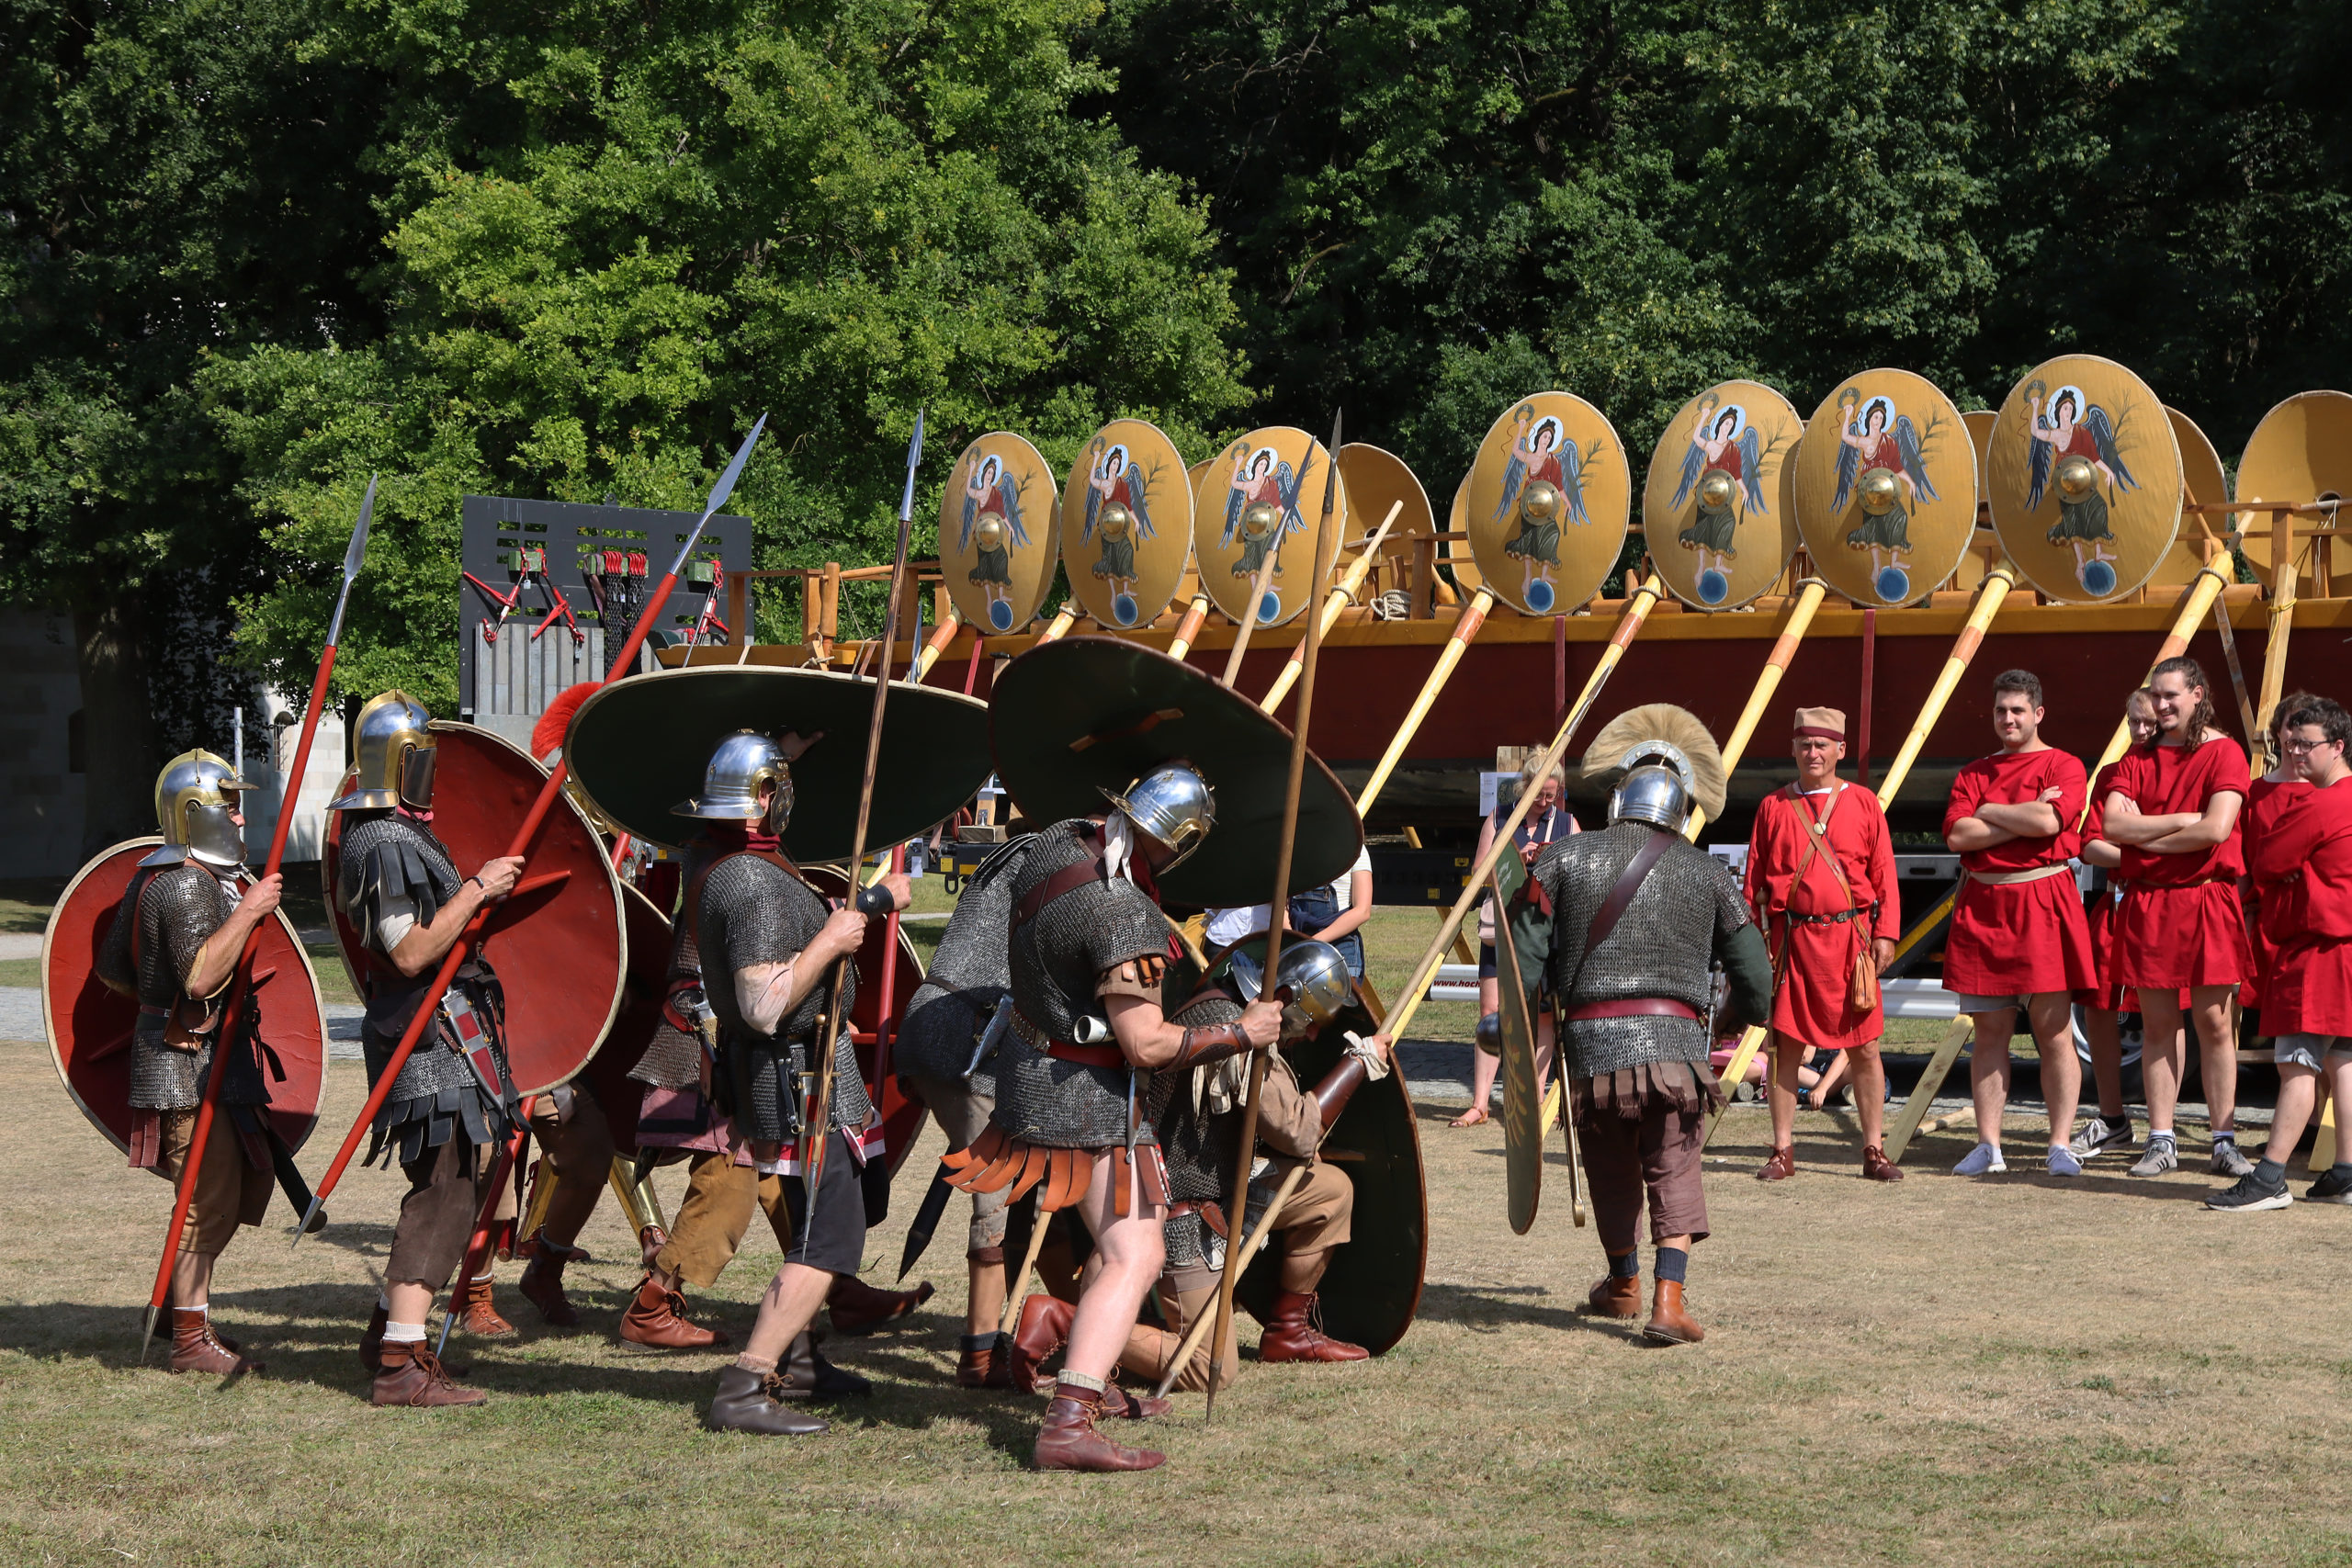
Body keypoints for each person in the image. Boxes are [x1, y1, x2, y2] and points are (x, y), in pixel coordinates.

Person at [942, 762, 1282, 1472]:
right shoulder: (1126, 913)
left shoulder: (1058, 843)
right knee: (1138, 1251)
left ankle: (1089, 1381)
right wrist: (1241, 1033)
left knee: (1114, 1240)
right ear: (1183, 841)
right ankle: (1069, 1421)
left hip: (1029, 1066)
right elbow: (1145, 1044)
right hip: (1086, 1097)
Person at [681, 729, 917, 1438]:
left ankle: (803, 1359)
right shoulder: (750, 880)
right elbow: (764, 1003)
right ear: (763, 797)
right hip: (800, 1082)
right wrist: (836, 937)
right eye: (779, 786)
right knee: (827, 1242)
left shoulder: (723, 859)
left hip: (793, 1075)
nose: (790, 798)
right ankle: (747, 1382)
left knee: (825, 1224)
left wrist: (867, 905)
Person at [1541, 705, 1772, 1342]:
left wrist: (1528, 1017)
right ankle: (1668, 1302)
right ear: (1681, 808)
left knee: (1610, 1165)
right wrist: (1731, 1019)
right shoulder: (1708, 873)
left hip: (1593, 1047)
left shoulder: (1565, 857)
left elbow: (1524, 947)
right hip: (1674, 1050)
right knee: (1673, 1164)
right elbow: (1756, 979)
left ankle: (1623, 1284)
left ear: (1619, 798)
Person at [333, 694, 526, 1407]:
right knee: (442, 1188)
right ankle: (400, 1364)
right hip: (424, 1036)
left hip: (446, 1031)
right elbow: (412, 951)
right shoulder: (382, 840)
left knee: (460, 1182)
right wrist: (476, 888)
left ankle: (389, 1332)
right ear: (399, 761)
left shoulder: (403, 834)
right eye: (423, 759)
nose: (433, 772)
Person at [1087, 939, 1389, 1392]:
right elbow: (1298, 1130)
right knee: (1210, 1368)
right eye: (1310, 1023)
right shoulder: (1238, 1034)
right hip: (1180, 1213)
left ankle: (1287, 1330)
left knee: (1328, 1191)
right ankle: (1073, 1324)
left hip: (1224, 1185)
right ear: (1285, 998)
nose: (1310, 1036)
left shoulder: (1226, 1002)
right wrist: (1357, 1064)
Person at [93, 750, 285, 1376]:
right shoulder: (186, 882)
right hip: (184, 1064)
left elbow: (114, 970)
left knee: (227, 1191)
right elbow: (201, 977)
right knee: (206, 1200)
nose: (241, 818)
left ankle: (187, 1316)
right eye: (231, 807)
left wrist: (158, 1000)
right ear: (195, 812)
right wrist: (250, 911)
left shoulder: (159, 875)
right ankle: (189, 1339)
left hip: (197, 1058)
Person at [1939, 671, 2098, 1176]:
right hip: (1984, 907)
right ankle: (1989, 1146)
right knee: (1989, 1034)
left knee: (2054, 1032)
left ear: (2038, 714)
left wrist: (1989, 811)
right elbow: (1958, 836)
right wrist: (2021, 815)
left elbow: (2051, 822)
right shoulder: (1974, 772)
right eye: (2000, 710)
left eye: (2018, 711)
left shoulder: (2063, 764)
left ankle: (2059, 1145)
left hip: (2043, 904)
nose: (2008, 719)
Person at [2100, 658, 2253, 1179]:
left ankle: (2224, 1140)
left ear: (2197, 694)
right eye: (2156, 695)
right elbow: (2113, 825)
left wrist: (2146, 841)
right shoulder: (2136, 758)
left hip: (2206, 900)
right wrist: (2182, 821)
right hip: (2151, 904)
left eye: (2171, 695)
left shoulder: (2224, 752)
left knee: (2214, 1024)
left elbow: (2216, 830)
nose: (2162, 705)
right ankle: (2161, 1140)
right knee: (2159, 1026)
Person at [894, 833, 1036, 1387]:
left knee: (1005, 1185)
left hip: (940, 1019)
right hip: (969, 1033)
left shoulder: (1014, 851)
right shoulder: (1050, 861)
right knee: (997, 1195)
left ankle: (1007, 1334)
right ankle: (980, 1355)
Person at [1745, 706, 1902, 1181]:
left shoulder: (1865, 803)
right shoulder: (1773, 807)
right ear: (1793, 748)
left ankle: (1874, 1150)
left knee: (1865, 1048)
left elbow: (1885, 874)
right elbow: (1753, 884)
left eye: (1822, 744)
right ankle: (1782, 1150)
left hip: (1851, 943)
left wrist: (1886, 933)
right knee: (1786, 1048)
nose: (1813, 753)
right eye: (1805, 744)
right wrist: (1754, 946)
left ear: (1840, 749)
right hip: (1793, 944)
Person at [2207, 697, 2352, 1210]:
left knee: (2297, 1064)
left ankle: (2269, 1178)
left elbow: (2265, 859)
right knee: (2343, 1060)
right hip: (2342, 948)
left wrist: (2292, 865)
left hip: (2314, 950)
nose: (2295, 752)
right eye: (2290, 743)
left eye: (2307, 745)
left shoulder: (2319, 804)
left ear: (2338, 746)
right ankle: (2346, 1173)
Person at [1456, 760, 1577, 1128]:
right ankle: (1480, 1103)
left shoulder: (1567, 823)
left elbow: (1579, 873)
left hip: (1543, 928)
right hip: (1503, 924)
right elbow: (1478, 873)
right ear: (1524, 786)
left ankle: (1534, 1100)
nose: (1544, 801)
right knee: (1491, 1011)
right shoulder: (1499, 818)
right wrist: (1514, 861)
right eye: (1538, 793)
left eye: (1551, 795)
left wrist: (1549, 860)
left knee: (1543, 1014)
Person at [2069, 688, 2159, 1160]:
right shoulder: (2112, 775)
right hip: (2118, 902)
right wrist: (2146, 853)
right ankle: (2112, 1118)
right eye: (2133, 722)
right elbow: (2090, 845)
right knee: (2098, 1009)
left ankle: (2163, 1130)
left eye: (2149, 722)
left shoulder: (2183, 770)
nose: (2140, 731)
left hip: (2164, 906)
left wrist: (2133, 845)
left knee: (2167, 1016)